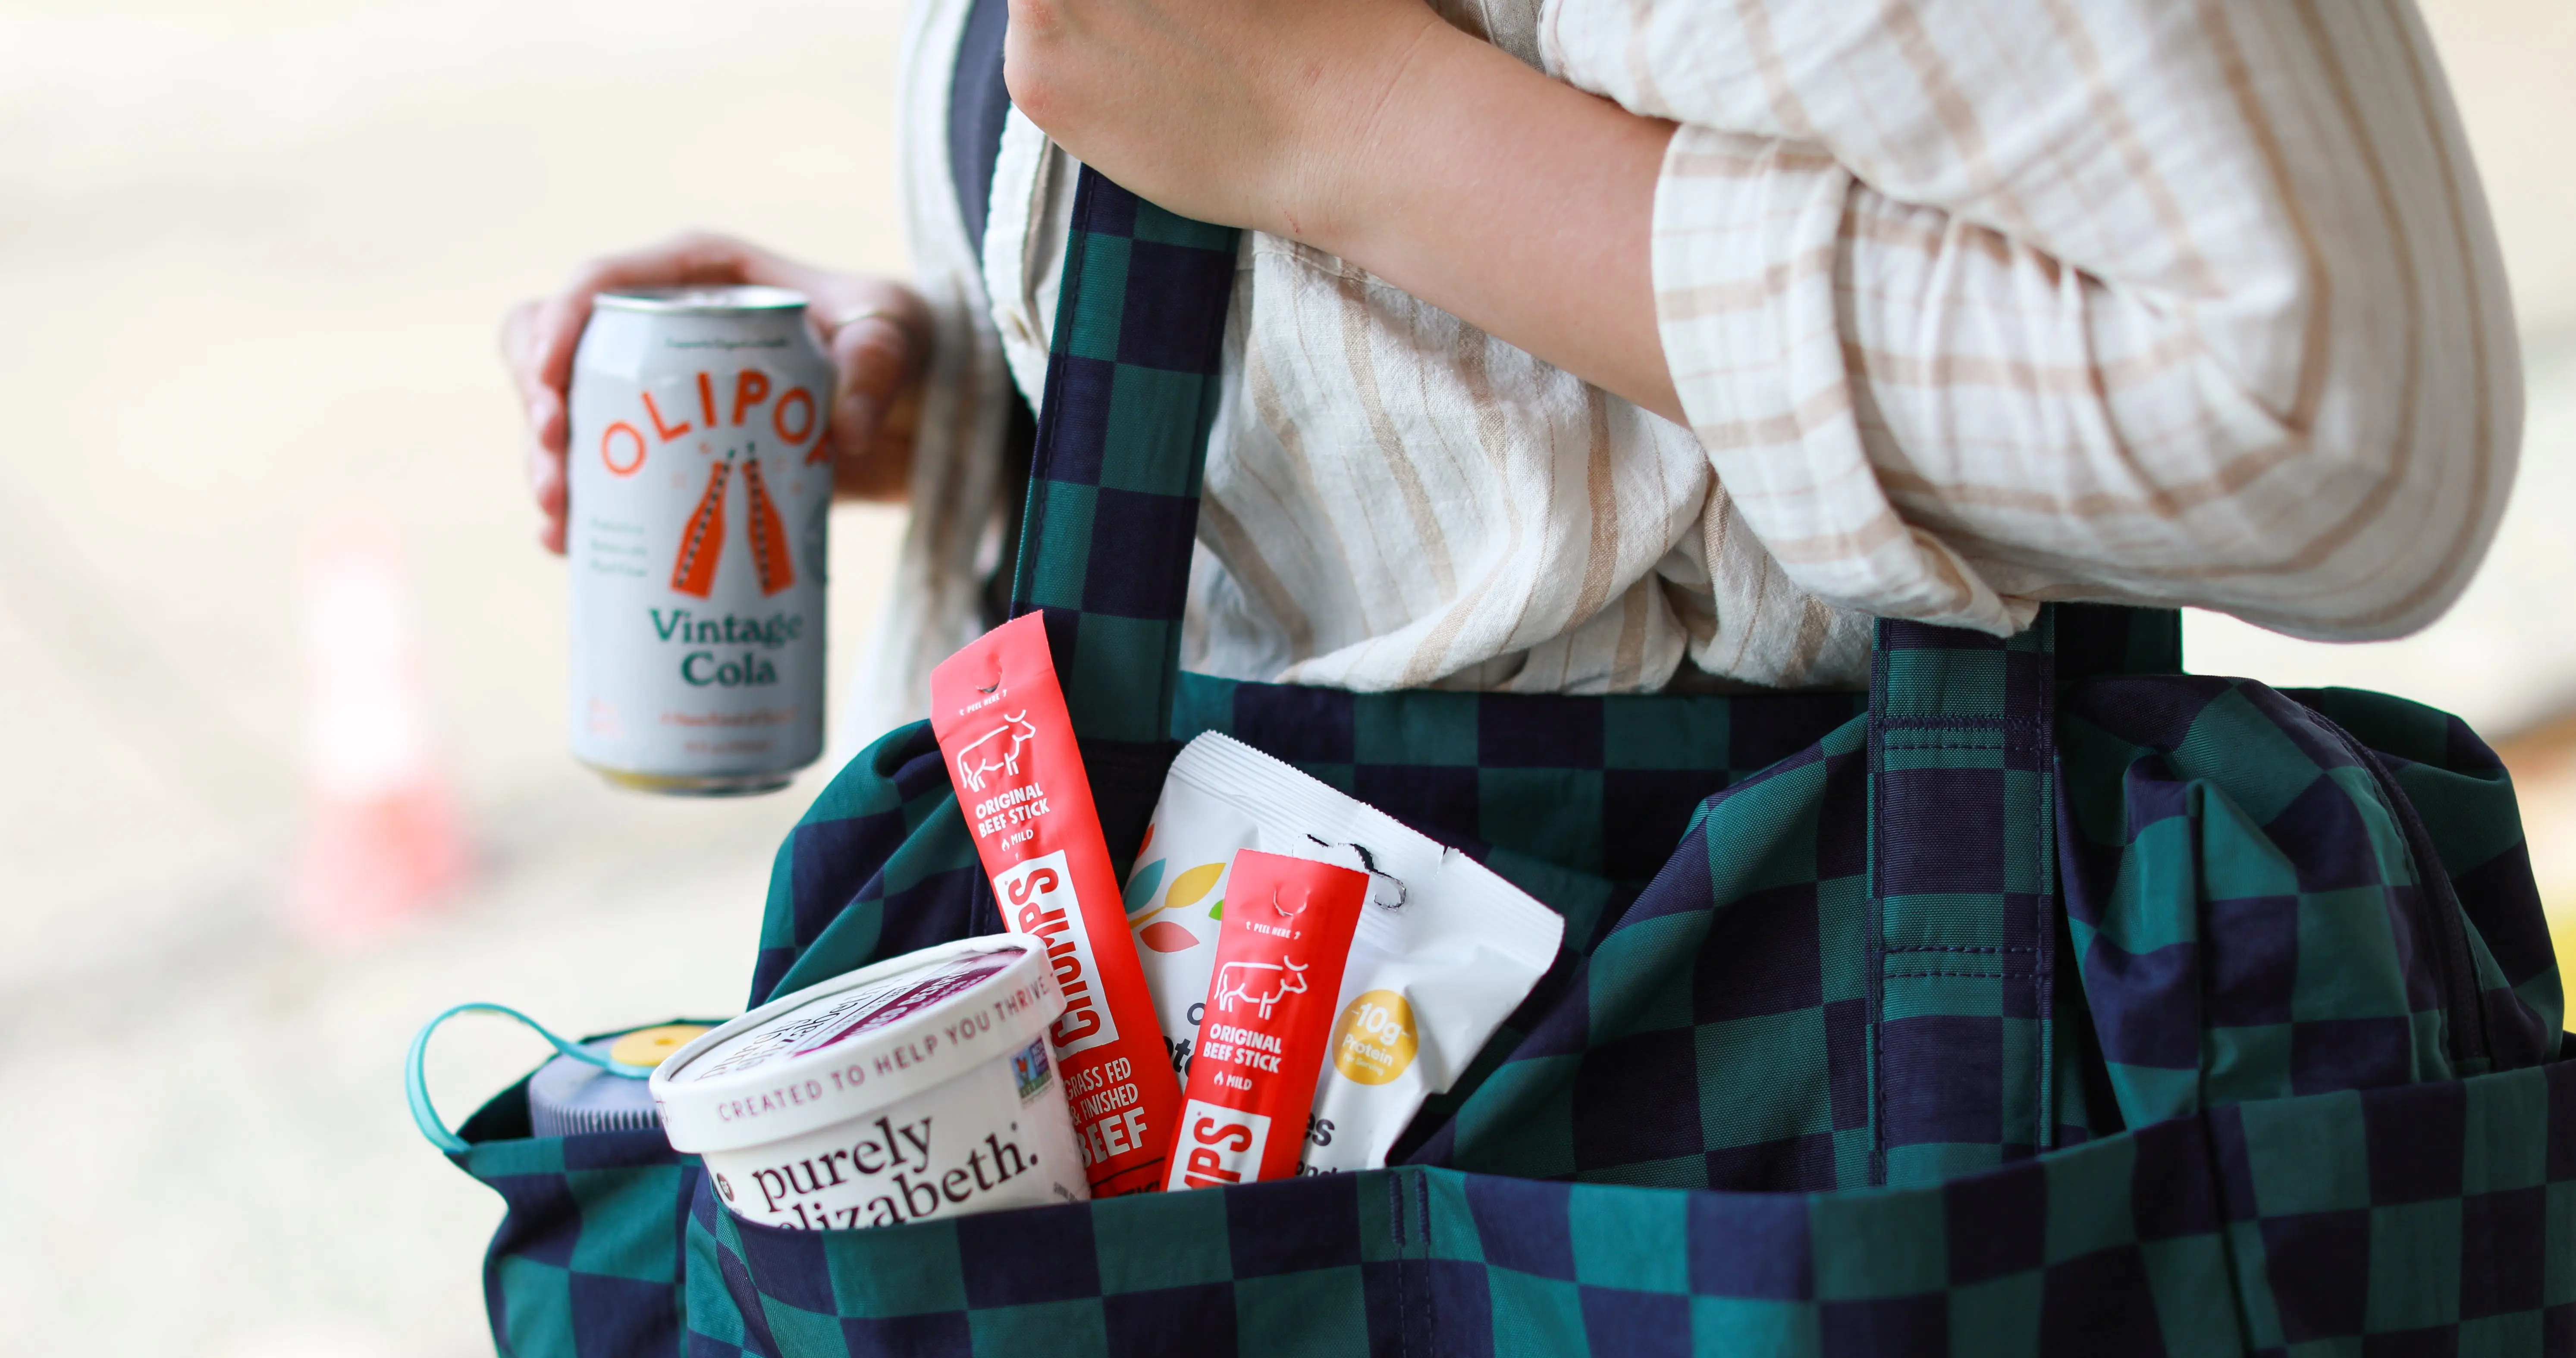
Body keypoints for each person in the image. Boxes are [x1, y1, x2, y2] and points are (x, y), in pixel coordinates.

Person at [504, 0, 2519, 741]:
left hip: (1705, 1215)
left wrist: (1357, 133)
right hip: (1322, 1223)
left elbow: (2337, 429)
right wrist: (1003, 399)